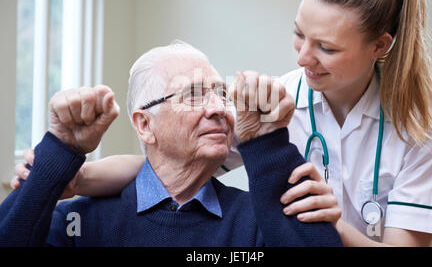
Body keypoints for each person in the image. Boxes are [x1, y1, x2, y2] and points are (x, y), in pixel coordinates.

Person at [12, 0, 432, 246]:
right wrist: (70, 176)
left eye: (327, 48)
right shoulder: (278, 103)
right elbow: (167, 163)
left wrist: (329, 220)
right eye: (299, 34)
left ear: (380, 46)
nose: (302, 57)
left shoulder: (424, 132)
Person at [0, 41, 343, 247]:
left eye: (221, 94)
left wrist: (266, 141)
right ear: (145, 125)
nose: (217, 109)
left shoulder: (257, 220)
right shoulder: (79, 222)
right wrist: (61, 150)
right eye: (193, 95)